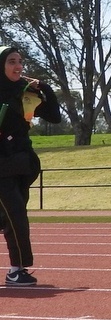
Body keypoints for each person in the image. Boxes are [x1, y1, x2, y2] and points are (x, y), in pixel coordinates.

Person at [0, 46, 61, 286]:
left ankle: (16, 268)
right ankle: (17, 270)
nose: (18, 66)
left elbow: (54, 117)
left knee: (10, 217)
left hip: (21, 164)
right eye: (11, 61)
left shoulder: (25, 92)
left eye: (20, 62)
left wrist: (45, 89)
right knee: (16, 215)